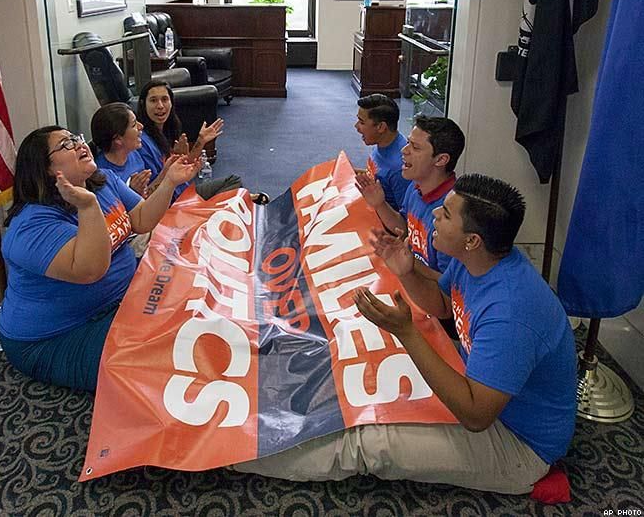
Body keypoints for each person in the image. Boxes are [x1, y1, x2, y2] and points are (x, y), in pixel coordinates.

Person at [235, 174, 577, 495]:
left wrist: (407, 333)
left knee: (366, 441)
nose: (434, 217)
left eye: (445, 214)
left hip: (515, 440)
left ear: (473, 240)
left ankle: (233, 456)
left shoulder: (512, 315)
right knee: (362, 361)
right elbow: (444, 304)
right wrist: (408, 271)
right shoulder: (478, 259)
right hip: (475, 376)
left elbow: (476, 415)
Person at [0, 126, 199, 392]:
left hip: (118, 301)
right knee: (165, 364)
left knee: (194, 303)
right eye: (66, 144)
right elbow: (91, 270)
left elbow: (141, 218)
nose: (80, 145)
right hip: (57, 334)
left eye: (76, 138)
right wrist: (88, 207)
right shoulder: (31, 226)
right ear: (45, 168)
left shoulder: (102, 180)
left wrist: (170, 181)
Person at [356, 115, 465, 278]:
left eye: (415, 147)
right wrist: (380, 204)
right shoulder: (415, 186)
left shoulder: (453, 213)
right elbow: (405, 227)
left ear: (441, 159)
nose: (404, 150)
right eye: (408, 143)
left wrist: (407, 262)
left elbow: (449, 284)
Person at [136, 80, 269, 204]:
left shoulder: (168, 129)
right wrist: (168, 172)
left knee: (233, 181)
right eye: (153, 101)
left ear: (171, 102)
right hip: (170, 204)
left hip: (184, 193)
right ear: (143, 104)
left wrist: (201, 141)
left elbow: (183, 168)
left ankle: (233, 201)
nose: (160, 106)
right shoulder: (141, 142)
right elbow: (146, 195)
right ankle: (238, 201)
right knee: (233, 187)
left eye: (164, 99)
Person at [354, 94, 409, 211]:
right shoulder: (384, 142)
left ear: (381, 127)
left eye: (362, 122)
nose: (356, 127)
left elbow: (404, 220)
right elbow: (379, 174)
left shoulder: (399, 168)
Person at [91, 102, 152, 196]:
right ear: (118, 139)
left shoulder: (134, 153)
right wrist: (132, 195)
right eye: (134, 125)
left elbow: (148, 192)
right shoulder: (101, 177)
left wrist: (165, 174)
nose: (141, 126)